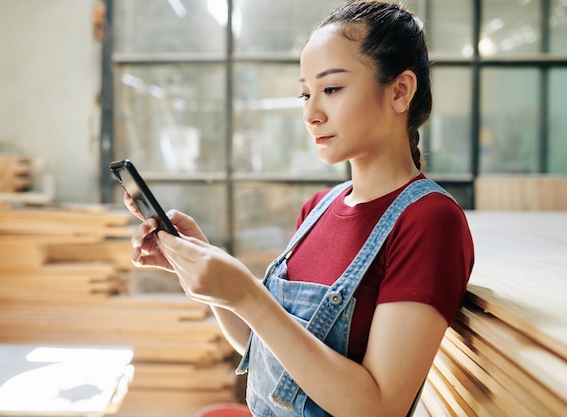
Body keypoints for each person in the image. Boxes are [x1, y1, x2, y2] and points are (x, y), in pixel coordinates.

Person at [124, 1, 474, 416]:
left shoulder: (428, 221)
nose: (310, 113)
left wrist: (249, 294)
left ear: (399, 91)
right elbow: (268, 351)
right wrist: (203, 268)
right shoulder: (318, 208)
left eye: (331, 89)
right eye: (305, 93)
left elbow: (379, 407)